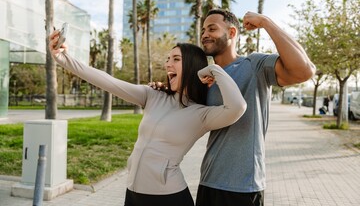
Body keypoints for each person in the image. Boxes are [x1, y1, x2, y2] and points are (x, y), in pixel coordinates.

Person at [48, 31, 247, 206]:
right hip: (133, 193)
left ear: (193, 65)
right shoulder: (152, 95)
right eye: (168, 59)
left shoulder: (201, 114)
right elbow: (107, 81)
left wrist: (214, 70)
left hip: (168, 197)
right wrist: (62, 58)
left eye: (176, 59)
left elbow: (237, 107)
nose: (168, 63)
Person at [195, 9, 316, 206]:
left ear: (232, 33)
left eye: (212, 29)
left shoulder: (254, 65)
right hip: (208, 181)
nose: (205, 34)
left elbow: (304, 70)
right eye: (203, 30)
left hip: (243, 187)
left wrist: (266, 22)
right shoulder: (206, 77)